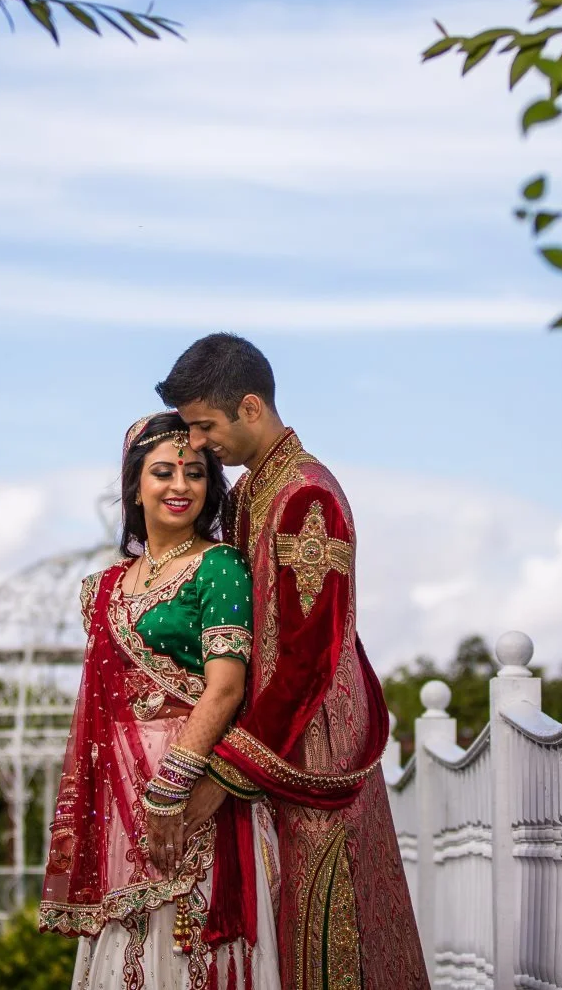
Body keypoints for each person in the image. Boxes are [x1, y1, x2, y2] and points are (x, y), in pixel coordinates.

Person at [154, 334, 429, 990]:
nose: (195, 444)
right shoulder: (255, 490)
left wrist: (222, 773)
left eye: (204, 426)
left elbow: (308, 658)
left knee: (329, 939)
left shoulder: (306, 496)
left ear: (250, 407)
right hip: (278, 752)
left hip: (313, 757)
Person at [40, 411, 282, 990]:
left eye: (196, 473)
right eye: (163, 472)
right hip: (118, 808)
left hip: (193, 795)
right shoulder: (104, 588)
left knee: (191, 944)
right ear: (135, 485)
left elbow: (226, 688)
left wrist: (173, 790)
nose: (180, 486)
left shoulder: (218, 567)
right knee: (128, 945)